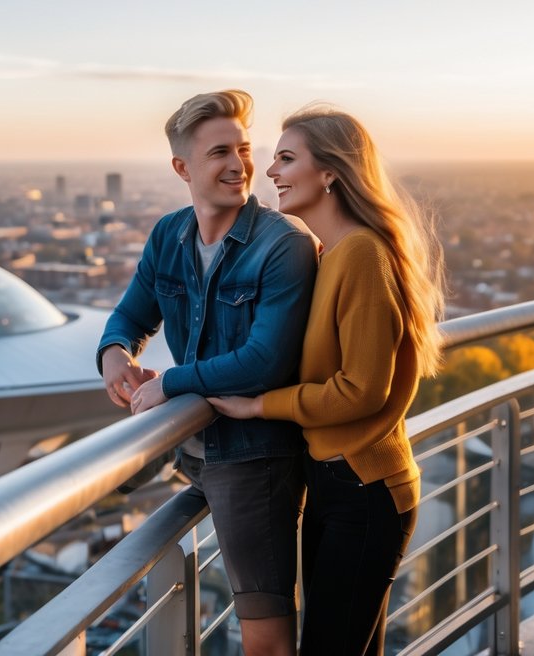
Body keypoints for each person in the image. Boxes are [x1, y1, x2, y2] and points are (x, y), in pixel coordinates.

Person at [209, 102, 446, 656]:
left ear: (331, 172)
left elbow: (363, 389)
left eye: (286, 159)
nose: (269, 173)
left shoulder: (360, 253)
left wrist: (259, 405)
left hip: (365, 490)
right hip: (336, 484)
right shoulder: (330, 252)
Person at [98, 90, 317, 656]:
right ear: (182, 168)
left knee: (264, 638)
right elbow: (129, 315)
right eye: (220, 152)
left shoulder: (283, 245)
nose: (240, 165)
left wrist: (167, 382)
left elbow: (265, 362)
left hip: (253, 460)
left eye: (243, 149)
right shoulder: (168, 236)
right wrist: (115, 352)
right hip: (187, 447)